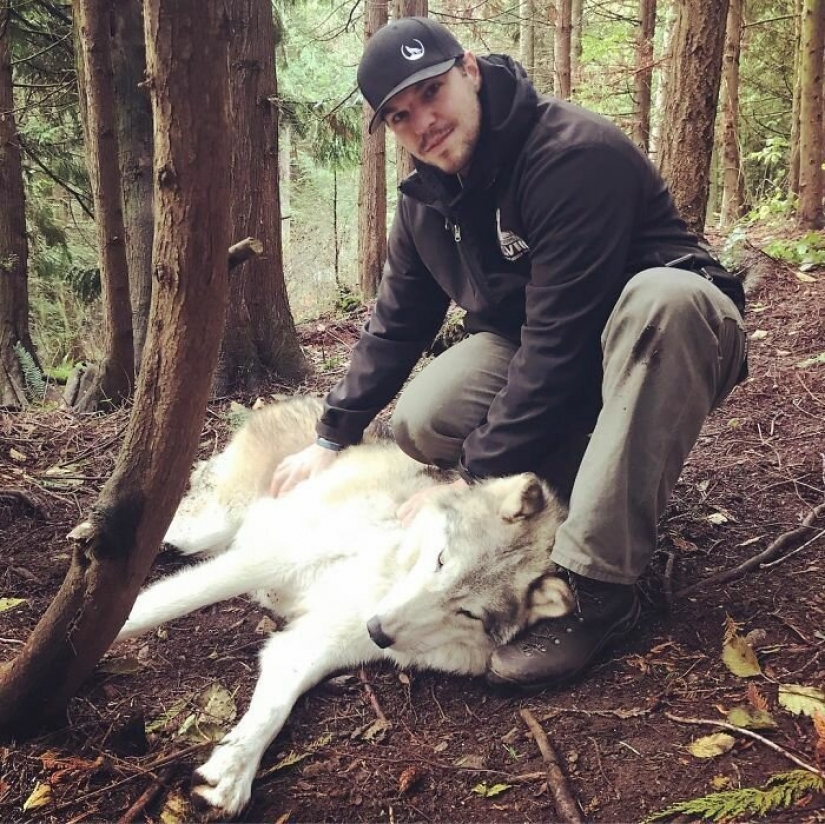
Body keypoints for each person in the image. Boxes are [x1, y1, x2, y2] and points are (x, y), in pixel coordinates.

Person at [270, 17, 747, 692]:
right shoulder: (426, 202)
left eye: (431, 92)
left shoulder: (572, 155)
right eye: (400, 116)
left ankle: (596, 586)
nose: (423, 122)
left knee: (663, 301)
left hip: (659, 337)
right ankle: (574, 474)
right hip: (544, 344)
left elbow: (560, 341)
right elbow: (396, 322)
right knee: (422, 419)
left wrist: (474, 475)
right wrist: (331, 434)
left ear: (468, 70)